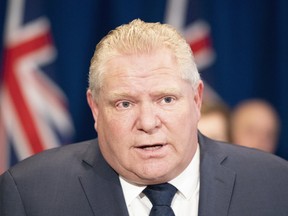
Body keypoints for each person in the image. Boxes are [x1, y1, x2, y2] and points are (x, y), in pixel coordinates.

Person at [1, 19, 288, 216]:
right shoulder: (29, 194)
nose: (148, 123)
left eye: (166, 99)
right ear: (96, 109)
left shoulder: (275, 184)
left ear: (197, 99)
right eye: (125, 103)